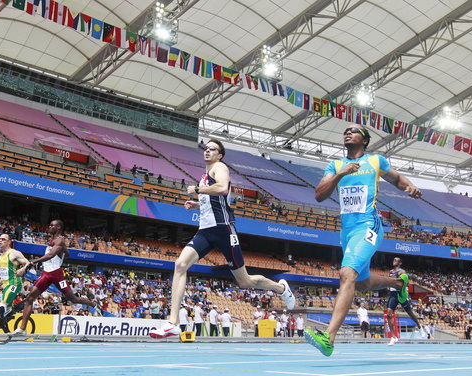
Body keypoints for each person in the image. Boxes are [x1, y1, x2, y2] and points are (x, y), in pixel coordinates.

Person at [149, 139, 295, 339]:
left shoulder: (220, 167)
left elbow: (222, 189)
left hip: (224, 230)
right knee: (180, 264)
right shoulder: (204, 176)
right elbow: (216, 200)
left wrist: (198, 191)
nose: (207, 151)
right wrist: (197, 204)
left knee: (244, 282)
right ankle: (172, 323)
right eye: (206, 148)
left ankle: (280, 287)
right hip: (205, 231)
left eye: (212, 149)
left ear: (220, 155)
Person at [305, 126, 422, 356]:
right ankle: (397, 284)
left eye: (354, 131)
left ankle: (328, 338)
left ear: (365, 141)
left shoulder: (375, 161)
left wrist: (409, 186)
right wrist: (342, 174)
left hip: (369, 225)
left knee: (347, 274)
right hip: (347, 230)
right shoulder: (336, 165)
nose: (347, 133)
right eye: (345, 131)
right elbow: (319, 195)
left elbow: (396, 178)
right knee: (361, 283)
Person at [12, 220, 99, 336]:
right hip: (46, 274)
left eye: (52, 225)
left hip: (56, 275)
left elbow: (50, 255)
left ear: (58, 227)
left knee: (73, 299)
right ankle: (22, 329)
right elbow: (66, 254)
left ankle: (94, 305)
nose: (49, 226)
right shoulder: (53, 240)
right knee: (30, 298)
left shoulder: (60, 240)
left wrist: (32, 262)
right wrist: (65, 252)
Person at [386, 257, 426, 345]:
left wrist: (401, 287)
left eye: (396, 260)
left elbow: (406, 283)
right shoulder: (391, 272)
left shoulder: (402, 272)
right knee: (389, 314)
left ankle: (420, 327)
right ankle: (393, 337)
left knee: (410, 313)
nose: (394, 261)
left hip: (400, 294)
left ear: (400, 263)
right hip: (393, 294)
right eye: (393, 260)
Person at [0, 234, 30, 333]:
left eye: (3, 239)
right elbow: (4, 273)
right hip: (6, 285)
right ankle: (18, 307)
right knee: (6, 312)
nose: (0, 240)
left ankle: (6, 333)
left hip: (14, 284)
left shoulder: (14, 253)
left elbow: (27, 263)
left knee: (0, 308)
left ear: (8, 242)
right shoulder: (1, 256)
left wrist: (22, 269)